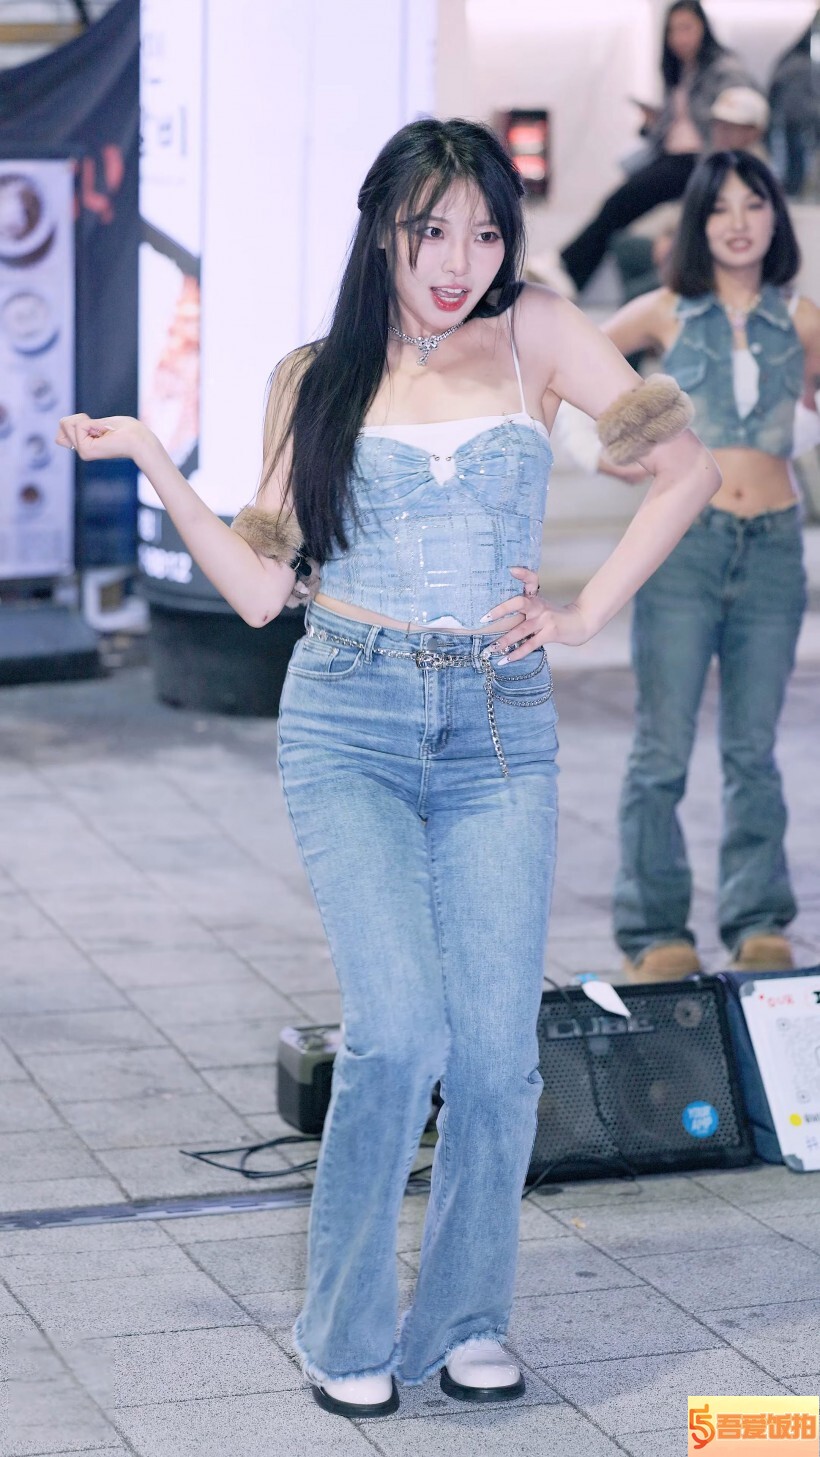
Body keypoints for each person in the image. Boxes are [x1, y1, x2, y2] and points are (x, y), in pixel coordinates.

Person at [55, 118, 718, 1418]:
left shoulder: (535, 333)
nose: (459, 260)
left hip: (499, 727)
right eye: (432, 231)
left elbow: (681, 470)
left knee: (498, 1057)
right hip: (348, 717)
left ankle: (467, 1315)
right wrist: (150, 458)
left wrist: (583, 613)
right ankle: (344, 1326)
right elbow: (260, 591)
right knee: (400, 1030)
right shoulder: (320, 376)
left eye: (485, 232)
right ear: (383, 234)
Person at [595, 150, 820, 982]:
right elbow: (568, 371)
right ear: (698, 221)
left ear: (775, 218)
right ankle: (654, 929)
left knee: (754, 748)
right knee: (662, 747)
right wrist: (606, 453)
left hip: (774, 549)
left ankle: (758, 917)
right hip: (684, 548)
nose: (737, 221)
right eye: (720, 206)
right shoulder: (662, 311)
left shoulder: (803, 318)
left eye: (753, 204)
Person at [553, 2, 754, 296]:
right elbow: (675, 128)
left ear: (704, 29)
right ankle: (568, 271)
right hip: (672, 158)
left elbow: (739, 116)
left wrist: (718, 149)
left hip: (695, 162)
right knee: (618, 208)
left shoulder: (724, 70)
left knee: (619, 203)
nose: (679, 38)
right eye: (673, 30)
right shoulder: (680, 73)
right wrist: (654, 124)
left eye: (686, 28)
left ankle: (567, 268)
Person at [610, 86, 772, 310]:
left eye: (730, 127)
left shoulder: (750, 174)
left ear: (753, 132)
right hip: (691, 251)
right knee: (626, 246)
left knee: (636, 295)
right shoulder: (720, 162)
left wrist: (677, 248)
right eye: (718, 125)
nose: (721, 133)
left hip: (711, 266)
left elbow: (721, 228)